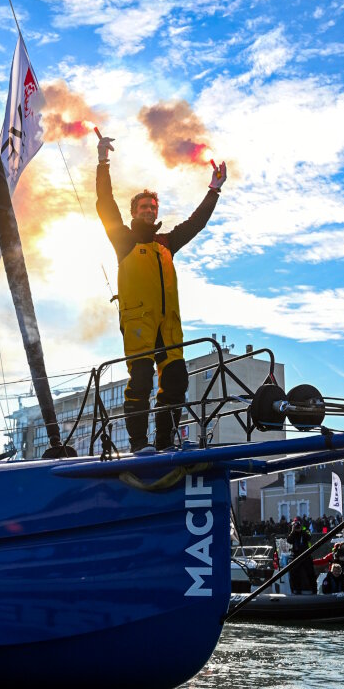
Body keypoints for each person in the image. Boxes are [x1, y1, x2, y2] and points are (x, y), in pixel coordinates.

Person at [95, 133, 226, 452]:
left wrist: (214, 188)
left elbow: (196, 223)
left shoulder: (166, 243)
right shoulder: (124, 240)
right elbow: (105, 205)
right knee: (140, 381)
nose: (149, 210)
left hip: (168, 326)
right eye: (143, 207)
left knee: (176, 382)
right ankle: (140, 444)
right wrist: (102, 162)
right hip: (139, 323)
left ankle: (166, 442)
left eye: (152, 206)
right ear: (134, 212)